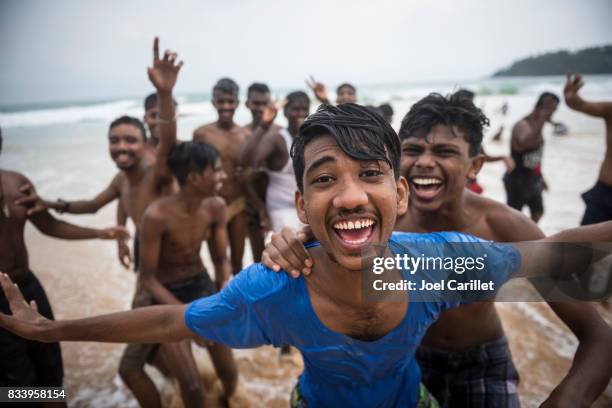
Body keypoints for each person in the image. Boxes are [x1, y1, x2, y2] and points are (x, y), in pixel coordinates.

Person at [3, 104, 612, 408]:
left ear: (397, 193)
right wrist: (53, 328)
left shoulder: (435, 263)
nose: (349, 195)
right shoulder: (276, 290)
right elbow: (170, 320)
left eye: (370, 174)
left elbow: (553, 255)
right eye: (325, 179)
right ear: (299, 202)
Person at [263, 94, 612, 407]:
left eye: (445, 152)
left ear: (475, 165)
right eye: (413, 150)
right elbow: (305, 252)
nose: (425, 162)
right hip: (407, 363)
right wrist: (285, 245)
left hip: (481, 364)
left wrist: (567, 399)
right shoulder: (378, 222)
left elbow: (598, 336)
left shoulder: (503, 227)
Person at [0, 127, 128, 393]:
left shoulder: (16, 184)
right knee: (16, 381)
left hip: (27, 283)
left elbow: (50, 226)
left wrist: (100, 233)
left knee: (51, 368)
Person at [135, 141, 238, 407]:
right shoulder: (157, 216)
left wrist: (225, 290)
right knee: (191, 387)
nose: (223, 176)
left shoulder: (215, 206)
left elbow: (220, 260)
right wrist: (189, 321)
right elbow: (147, 278)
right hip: (167, 297)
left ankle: (227, 402)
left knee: (229, 374)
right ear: (194, 178)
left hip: (201, 287)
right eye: (216, 170)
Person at [193, 78, 250, 274]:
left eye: (230, 101)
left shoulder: (246, 135)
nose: (226, 106)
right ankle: (221, 302)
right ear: (213, 102)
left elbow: (251, 171)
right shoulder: (202, 134)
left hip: (238, 203)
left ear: (237, 103)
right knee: (219, 262)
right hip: (211, 204)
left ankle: (240, 304)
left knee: (238, 262)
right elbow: (194, 171)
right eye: (221, 101)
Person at [239, 91, 310, 232]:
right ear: (285, 112)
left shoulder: (311, 139)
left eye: (304, 109)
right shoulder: (277, 139)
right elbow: (246, 161)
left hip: (308, 209)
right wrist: (265, 124)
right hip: (281, 210)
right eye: (295, 109)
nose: (300, 114)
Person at [504, 92, 560, 223]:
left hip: (533, 179)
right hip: (517, 180)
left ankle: (527, 239)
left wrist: (541, 177)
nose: (553, 113)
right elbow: (527, 143)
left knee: (538, 212)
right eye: (552, 109)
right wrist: (542, 118)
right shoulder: (522, 125)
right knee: (513, 219)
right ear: (540, 107)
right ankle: (514, 240)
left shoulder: (538, 127)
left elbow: (535, 157)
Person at [564, 74, 612, 225]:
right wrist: (571, 97)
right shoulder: (610, 110)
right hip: (605, 194)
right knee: (585, 248)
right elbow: (580, 105)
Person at [241, 82, 281, 261]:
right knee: (260, 261)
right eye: (256, 103)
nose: (260, 108)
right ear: (247, 104)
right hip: (252, 205)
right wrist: (259, 208)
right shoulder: (241, 135)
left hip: (280, 206)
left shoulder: (280, 133)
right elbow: (241, 176)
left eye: (265, 103)